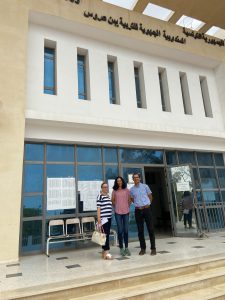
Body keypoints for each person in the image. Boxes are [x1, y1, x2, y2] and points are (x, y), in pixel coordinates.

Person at [130, 173, 156, 256]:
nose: (136, 179)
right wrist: (138, 204)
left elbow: (150, 196)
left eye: (137, 177)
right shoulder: (131, 189)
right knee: (140, 231)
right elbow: (132, 199)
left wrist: (148, 204)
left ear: (140, 178)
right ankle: (143, 248)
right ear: (133, 179)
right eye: (134, 178)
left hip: (146, 209)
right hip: (138, 210)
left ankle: (153, 248)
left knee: (150, 229)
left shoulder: (145, 186)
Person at [112, 176, 131, 256]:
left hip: (126, 212)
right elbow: (112, 200)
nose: (119, 182)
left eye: (120, 181)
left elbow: (129, 200)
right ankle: (121, 248)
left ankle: (126, 248)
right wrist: (116, 206)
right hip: (118, 213)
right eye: (117, 181)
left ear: (122, 181)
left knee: (126, 230)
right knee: (120, 231)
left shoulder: (127, 190)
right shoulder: (114, 191)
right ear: (116, 182)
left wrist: (127, 206)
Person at [97, 182, 113, 260]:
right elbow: (98, 208)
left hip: (109, 218)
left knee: (105, 235)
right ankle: (107, 252)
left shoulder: (108, 196)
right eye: (104, 187)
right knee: (105, 236)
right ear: (101, 188)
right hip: (103, 219)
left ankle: (104, 252)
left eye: (106, 187)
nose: (105, 188)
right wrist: (99, 218)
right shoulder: (100, 196)